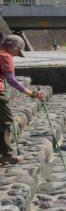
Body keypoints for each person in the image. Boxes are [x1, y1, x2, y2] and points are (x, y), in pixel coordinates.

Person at [0, 36, 45, 164]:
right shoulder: (5, 56)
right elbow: (12, 80)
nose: (15, 56)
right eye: (17, 52)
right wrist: (32, 93)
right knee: (6, 122)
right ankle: (7, 155)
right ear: (12, 46)